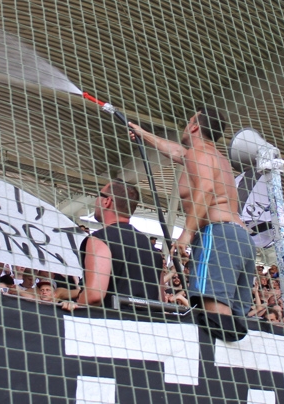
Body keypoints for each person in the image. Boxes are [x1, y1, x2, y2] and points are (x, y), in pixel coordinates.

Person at [129, 107, 256, 317]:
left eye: (189, 121)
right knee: (234, 320)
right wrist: (143, 133)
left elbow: (205, 188)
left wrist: (187, 233)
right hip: (240, 239)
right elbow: (174, 151)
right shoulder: (210, 156)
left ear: (195, 126)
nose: (186, 126)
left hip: (218, 235)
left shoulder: (200, 153)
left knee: (216, 316)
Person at [62, 179, 163, 310]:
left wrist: (76, 304)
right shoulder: (152, 250)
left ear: (107, 201)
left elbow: (94, 296)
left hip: (114, 324)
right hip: (150, 326)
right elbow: (161, 300)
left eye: (99, 195)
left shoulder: (100, 240)